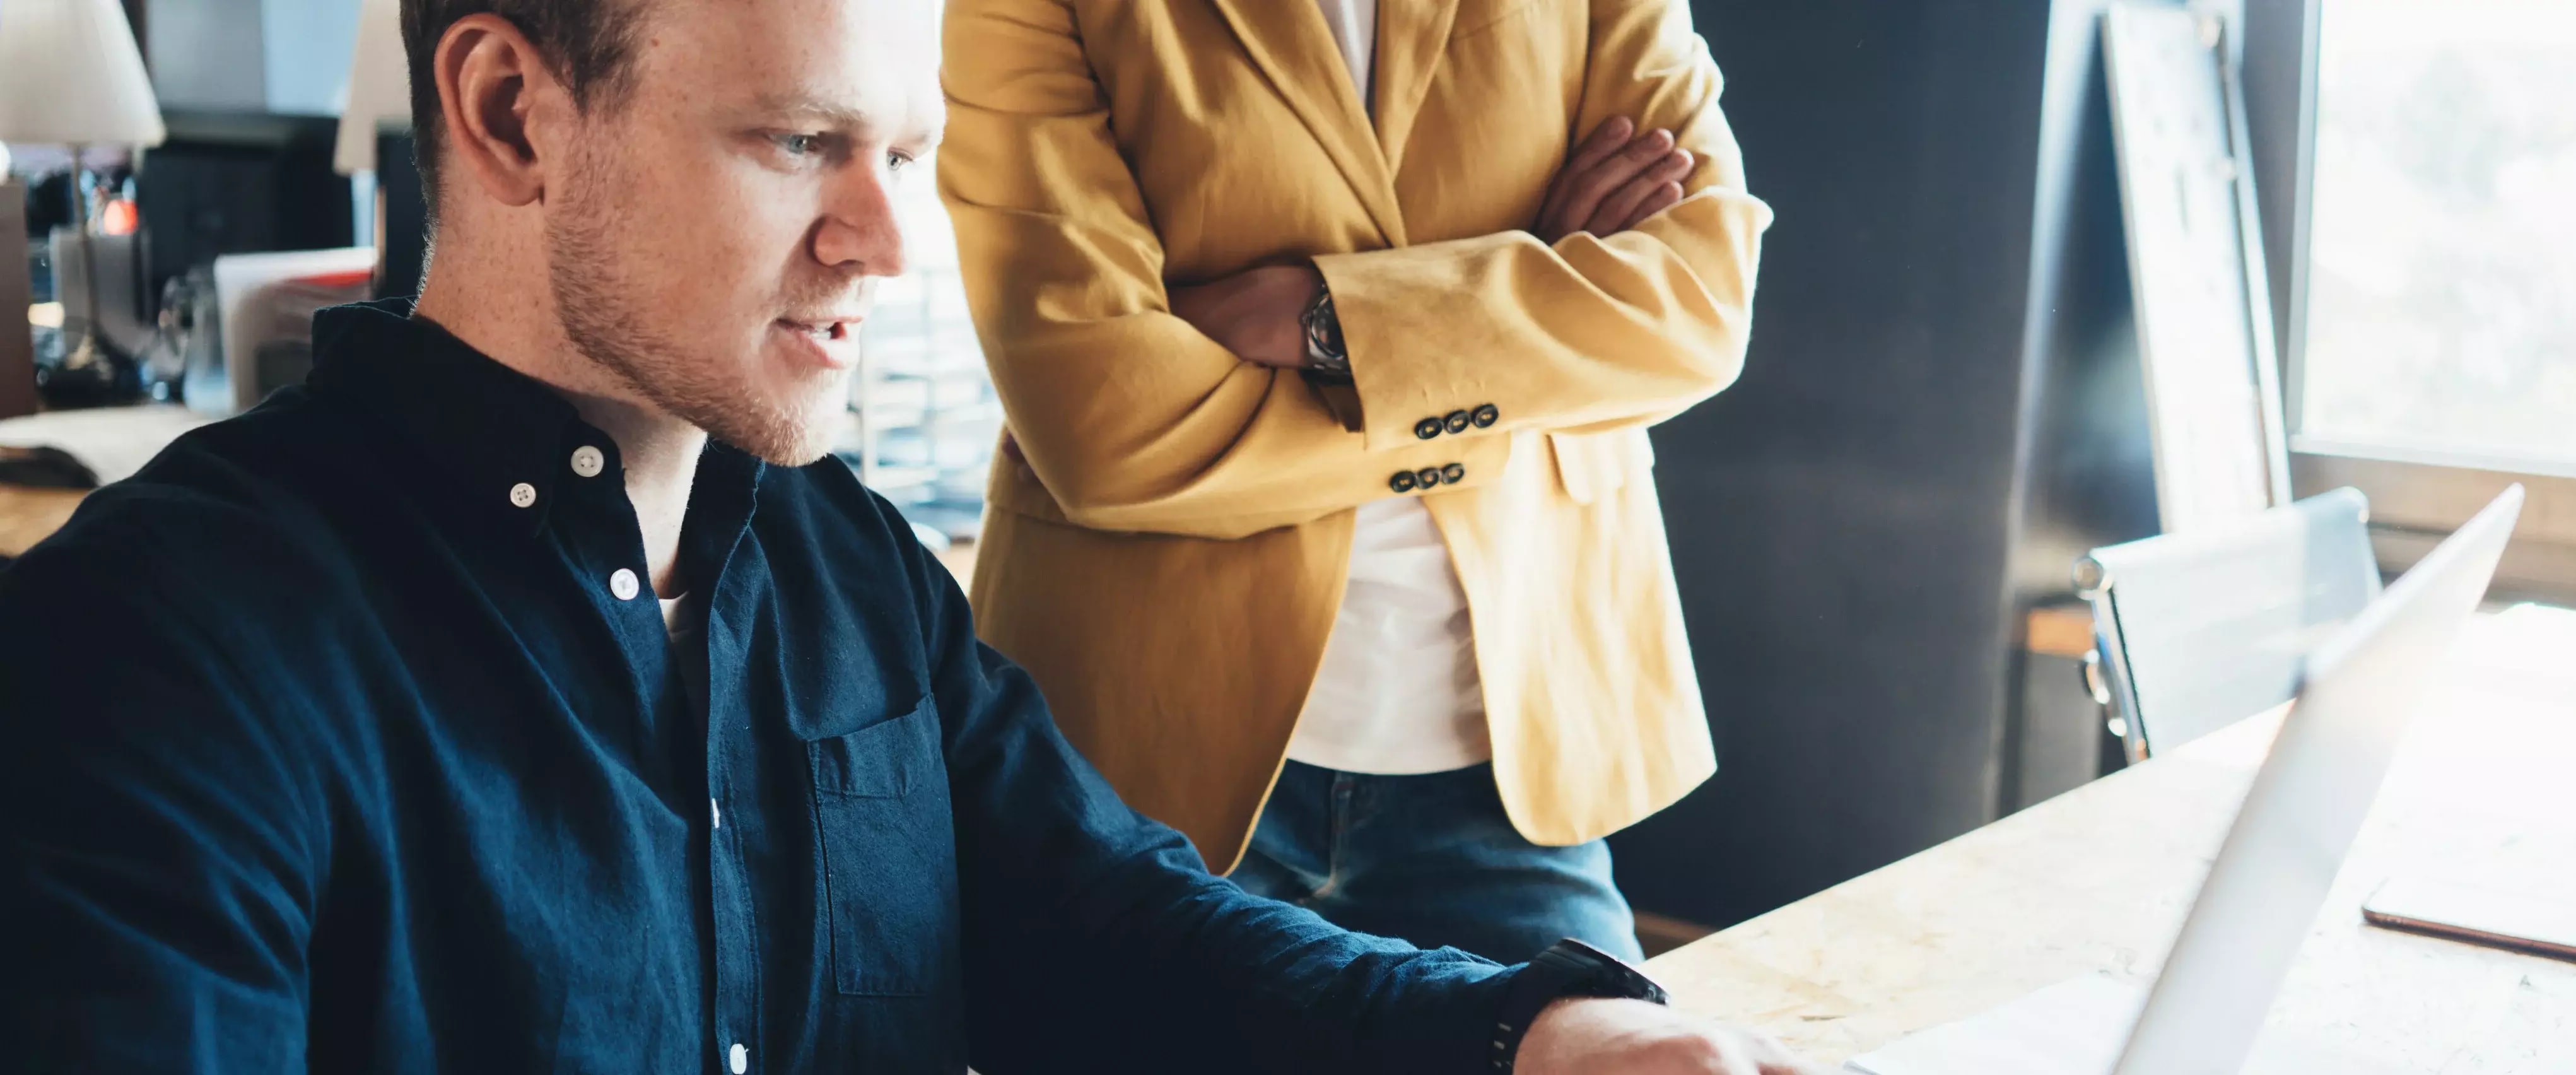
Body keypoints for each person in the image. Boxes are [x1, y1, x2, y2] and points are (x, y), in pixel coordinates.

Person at [0, 0, 1824, 1072]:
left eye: (904, 154)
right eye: (801, 145)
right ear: (507, 113)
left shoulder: (844, 570)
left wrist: (1518, 1040)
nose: (888, 244)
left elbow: (1115, 919)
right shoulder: (166, 652)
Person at [941, 0, 1773, 963]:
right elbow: (1101, 420)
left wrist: (1317, 315)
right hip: (1142, 758)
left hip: (1509, 745)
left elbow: (1697, 306)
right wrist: (1512, 327)